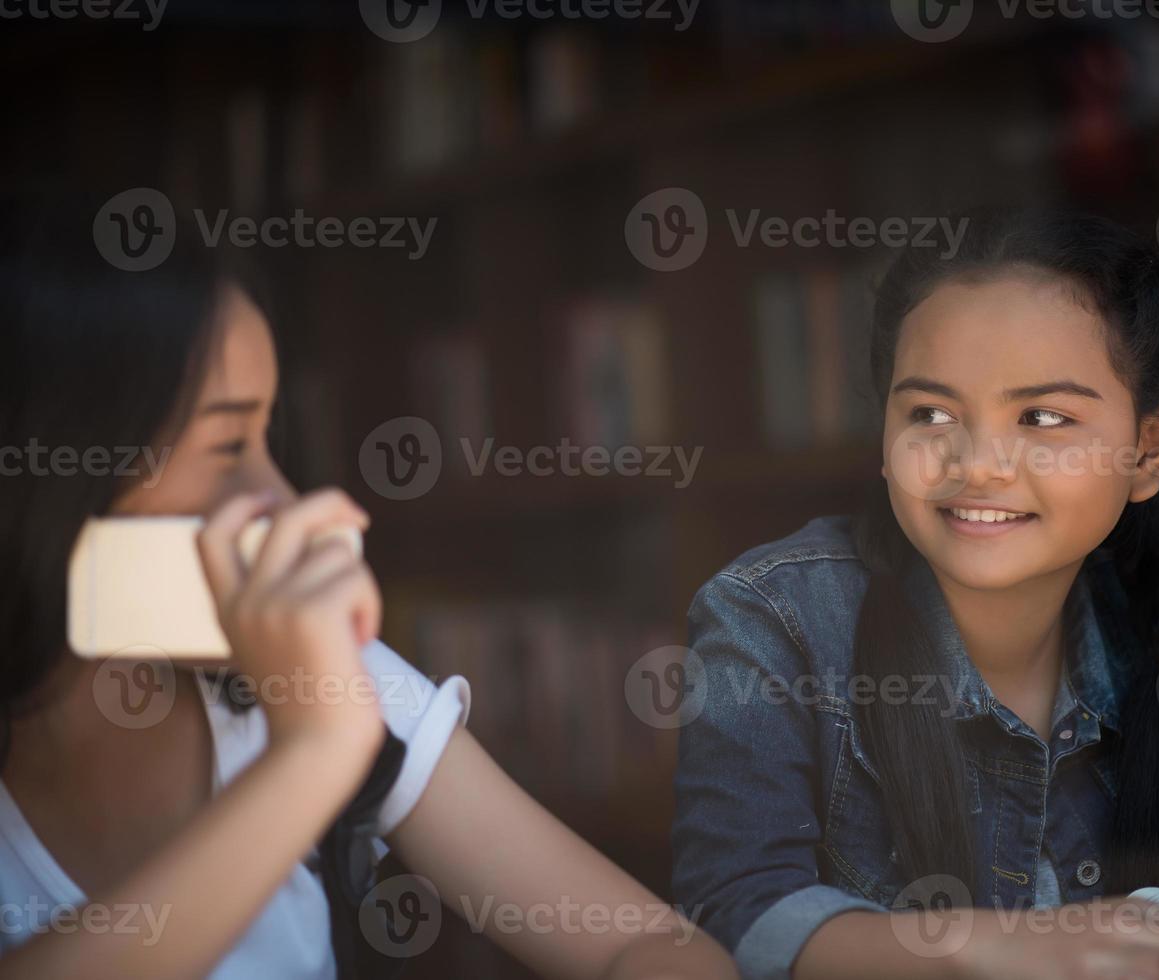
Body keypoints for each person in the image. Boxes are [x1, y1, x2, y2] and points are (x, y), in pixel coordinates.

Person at [670, 210, 1159, 979]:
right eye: (930, 412)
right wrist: (999, 949)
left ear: (1153, 450)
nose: (977, 463)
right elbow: (735, 913)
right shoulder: (775, 617)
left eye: (1042, 416)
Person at [0, 193, 735, 980]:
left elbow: (646, 944)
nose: (286, 500)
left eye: (267, 436)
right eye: (225, 445)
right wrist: (315, 755)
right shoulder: (320, 711)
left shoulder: (305, 670)